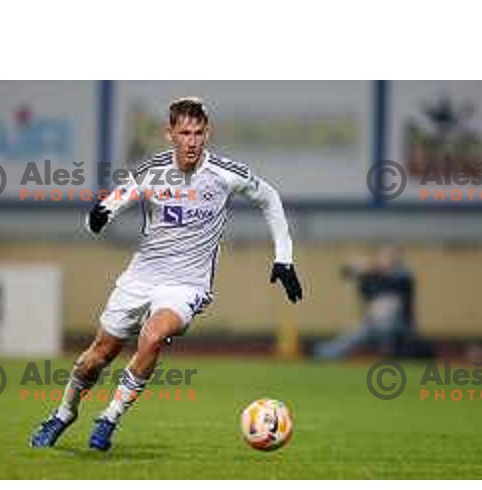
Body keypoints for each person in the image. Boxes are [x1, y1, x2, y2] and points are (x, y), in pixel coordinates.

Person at [29, 97, 303, 451]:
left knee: (154, 336)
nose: (192, 141)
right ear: (169, 133)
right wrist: (97, 217)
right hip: (141, 277)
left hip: (187, 285)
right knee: (96, 357)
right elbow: (109, 205)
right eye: (184, 132)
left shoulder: (224, 173)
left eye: (199, 133)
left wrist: (284, 258)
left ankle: (109, 418)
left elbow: (270, 197)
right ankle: (64, 413)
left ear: (208, 133)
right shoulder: (153, 172)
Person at [314, 246, 414, 360]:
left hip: (397, 328)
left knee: (387, 307)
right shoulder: (372, 279)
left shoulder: (402, 278)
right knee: (353, 336)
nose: (387, 260)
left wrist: (373, 269)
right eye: (384, 257)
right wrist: (362, 266)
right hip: (371, 327)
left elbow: (400, 277)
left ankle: (389, 353)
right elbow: (345, 272)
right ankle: (324, 354)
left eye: (391, 257)